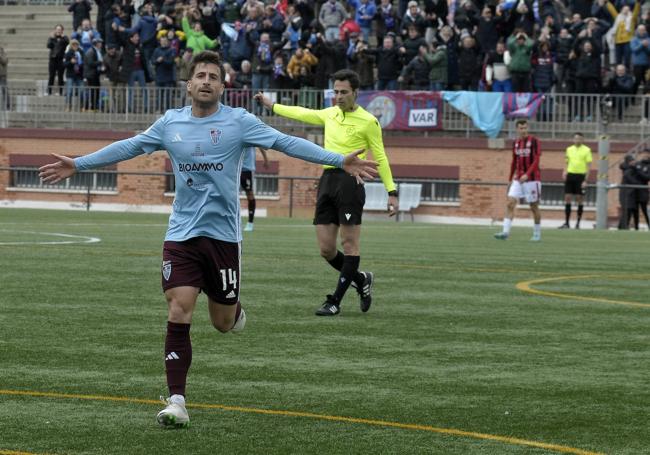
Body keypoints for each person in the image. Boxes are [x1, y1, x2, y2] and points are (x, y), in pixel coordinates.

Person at [38, 51, 377, 428]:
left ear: (222, 85)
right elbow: (130, 146)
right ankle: (177, 401)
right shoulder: (170, 123)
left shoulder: (239, 122)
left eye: (213, 76)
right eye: (200, 75)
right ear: (188, 83)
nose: (206, 81)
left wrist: (338, 159)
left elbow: (286, 142)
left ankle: (234, 310)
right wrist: (78, 163)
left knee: (222, 322)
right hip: (181, 233)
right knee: (179, 308)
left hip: (223, 239)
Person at [254, 69, 398, 316]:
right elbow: (302, 113)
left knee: (350, 244)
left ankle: (335, 302)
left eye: (343, 92)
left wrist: (391, 191)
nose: (338, 96)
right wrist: (272, 105)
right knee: (326, 249)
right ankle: (361, 280)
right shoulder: (330, 114)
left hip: (352, 182)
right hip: (328, 180)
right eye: (336, 92)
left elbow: (381, 157)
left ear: (355, 93)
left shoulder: (369, 121)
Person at [494, 119, 542, 241]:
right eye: (521, 128)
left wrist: (527, 174)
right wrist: (510, 179)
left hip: (532, 179)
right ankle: (505, 232)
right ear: (517, 129)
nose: (523, 130)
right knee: (510, 203)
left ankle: (536, 234)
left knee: (533, 206)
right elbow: (513, 162)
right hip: (518, 179)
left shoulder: (535, 141)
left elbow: (536, 160)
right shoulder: (515, 143)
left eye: (525, 128)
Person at [559, 132, 592, 229]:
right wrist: (564, 171)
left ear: (583, 140)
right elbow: (566, 162)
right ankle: (567, 223)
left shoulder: (587, 150)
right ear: (573, 139)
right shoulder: (569, 149)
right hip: (570, 175)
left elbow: (589, 166)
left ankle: (578, 223)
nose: (578, 140)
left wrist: (585, 180)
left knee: (579, 199)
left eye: (580, 139)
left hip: (580, 176)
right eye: (576, 138)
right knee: (567, 197)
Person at [241, 147, 269, 232]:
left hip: (247, 169)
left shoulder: (250, 134)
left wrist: (266, 159)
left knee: (249, 194)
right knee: (230, 194)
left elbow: (261, 146)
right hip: (235, 168)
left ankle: (250, 223)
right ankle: (235, 222)